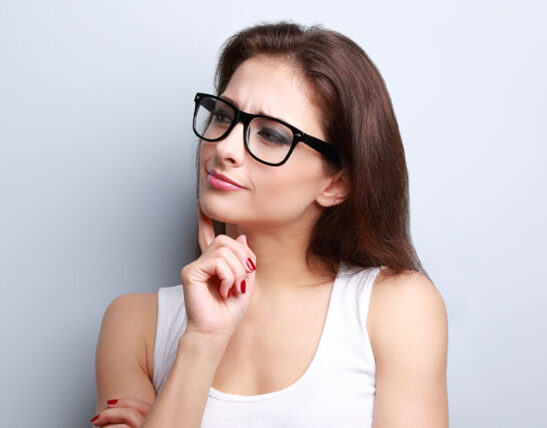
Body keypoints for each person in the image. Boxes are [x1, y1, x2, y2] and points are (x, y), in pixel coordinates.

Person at [91, 21, 448, 428]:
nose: (224, 147)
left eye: (272, 135)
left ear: (336, 184)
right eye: (223, 115)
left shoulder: (396, 307)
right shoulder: (135, 325)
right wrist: (203, 340)